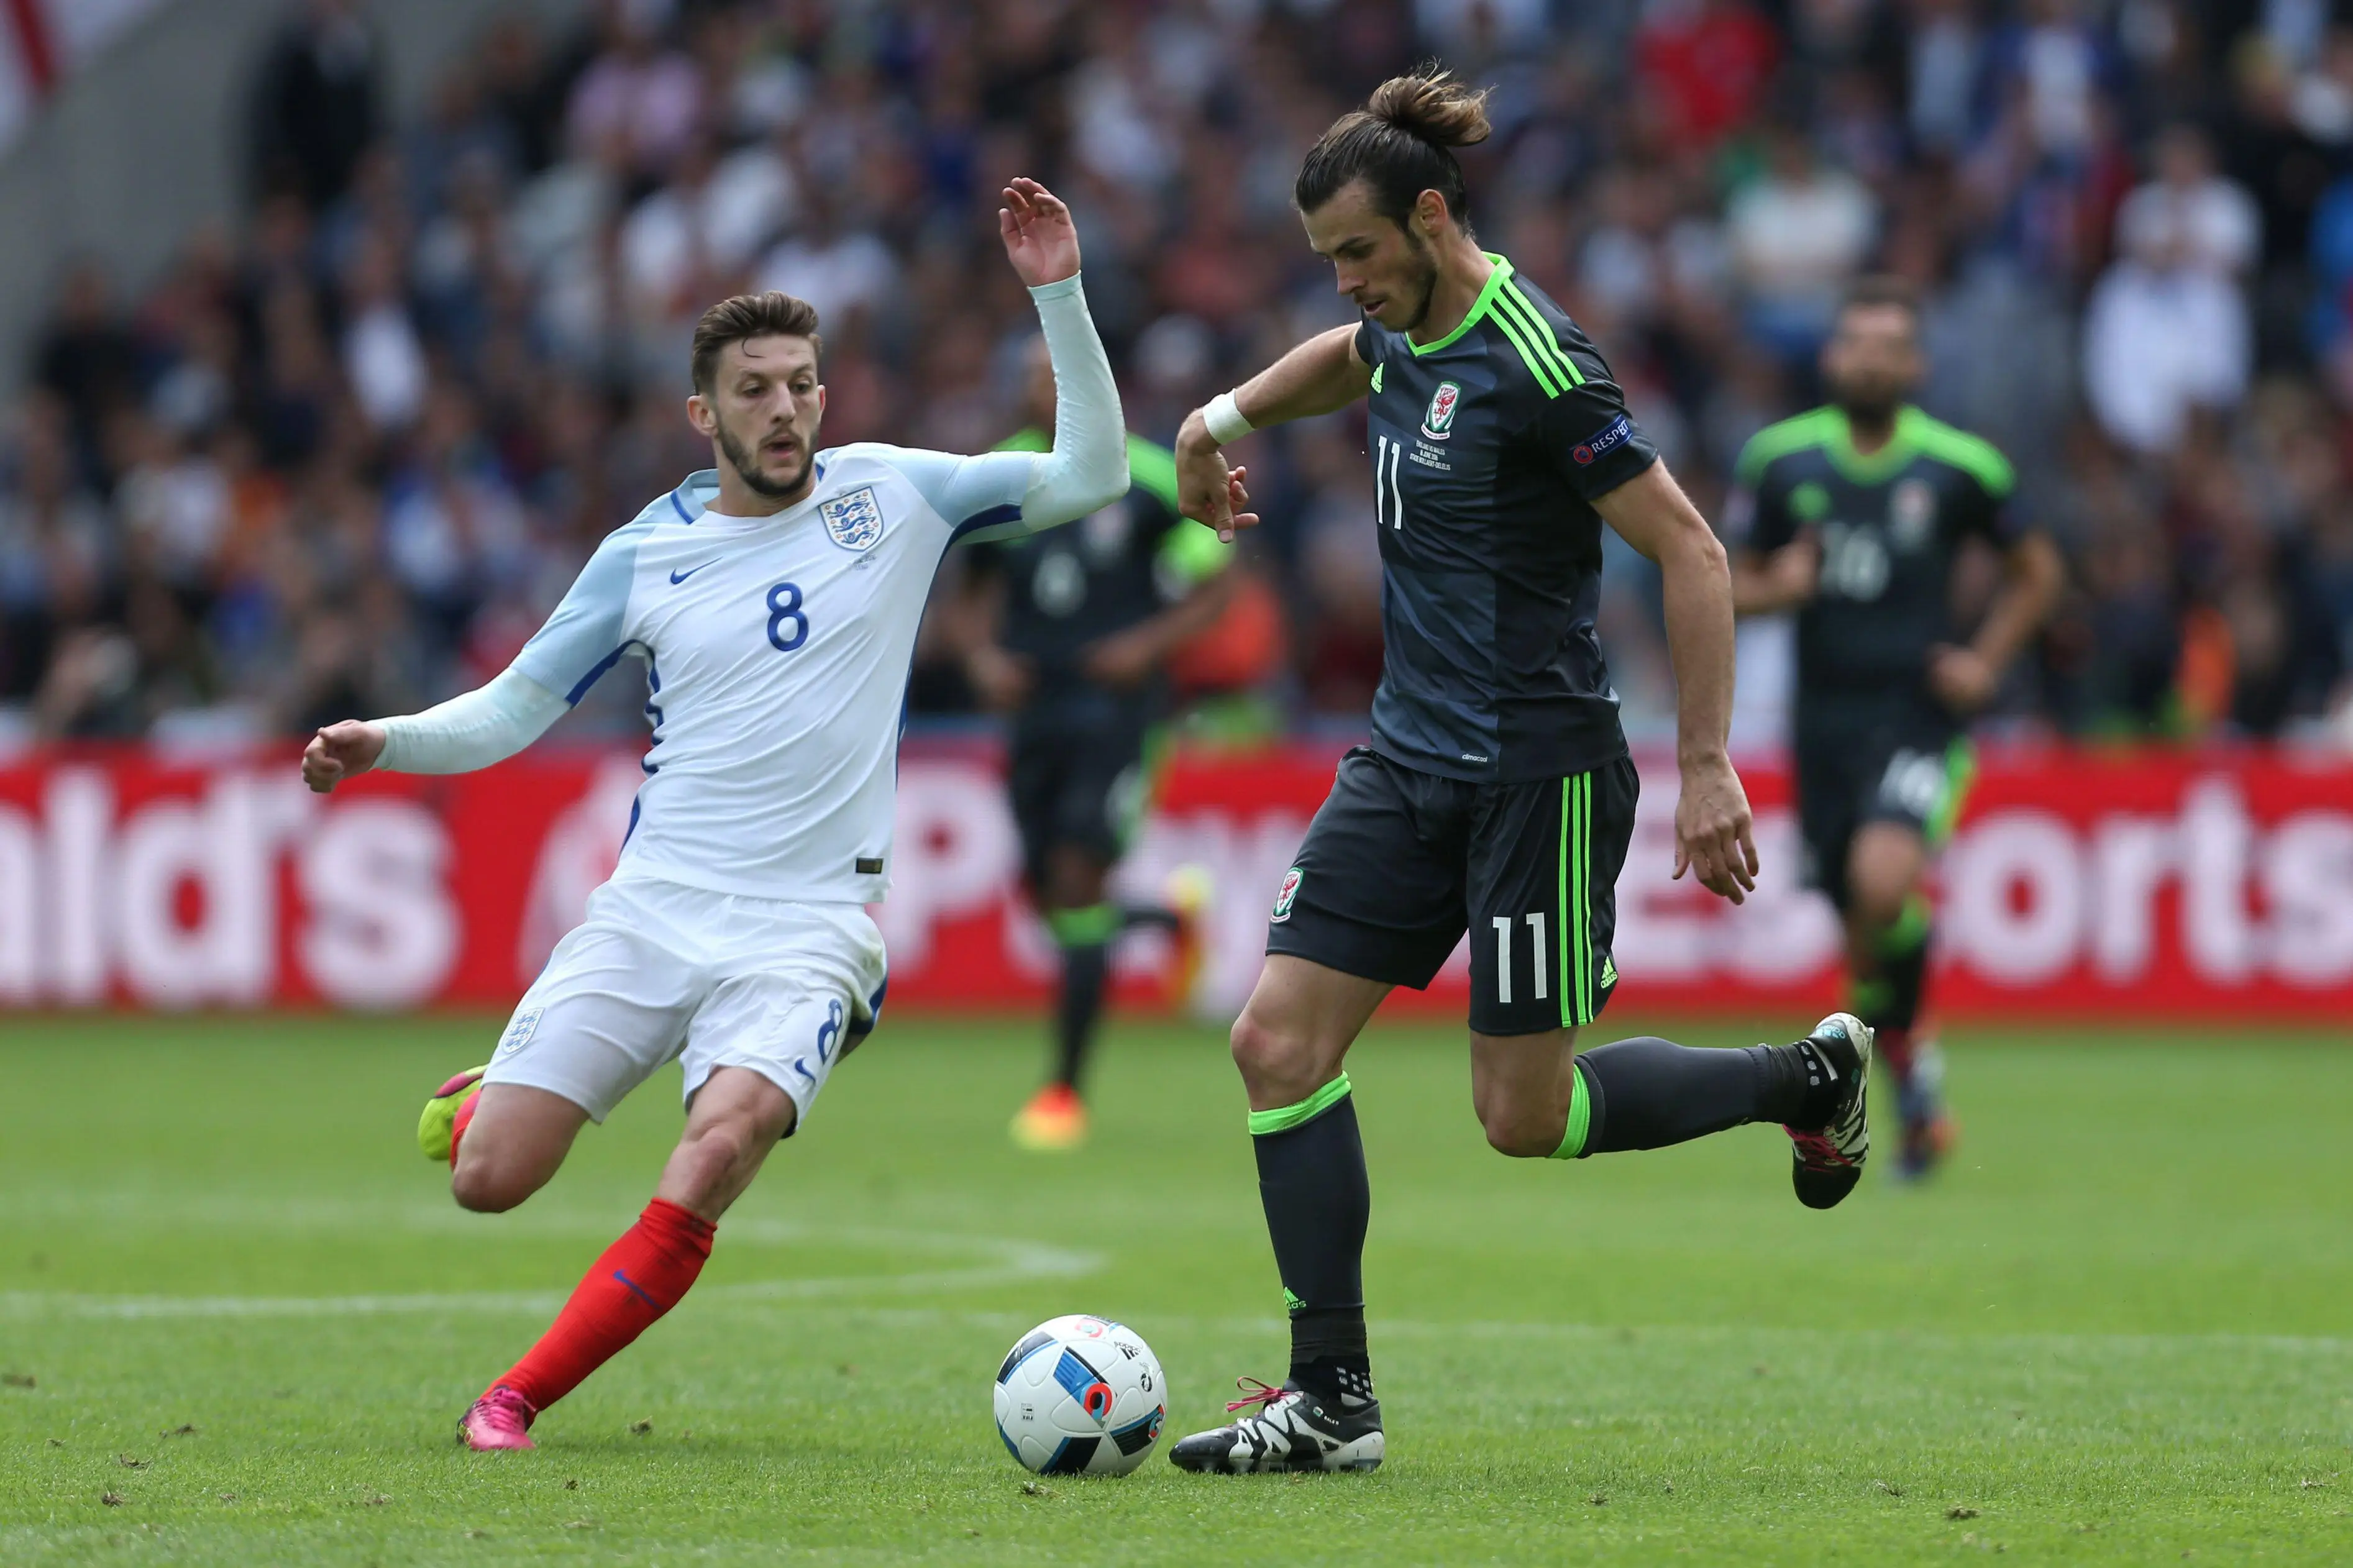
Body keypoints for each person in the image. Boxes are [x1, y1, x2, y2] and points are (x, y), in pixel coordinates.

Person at [299, 180, 1134, 1451]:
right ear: (704, 414)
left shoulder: (895, 495)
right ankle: (487, 1099)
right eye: (754, 390)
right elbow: (517, 707)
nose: (784, 408)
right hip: (655, 908)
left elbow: (1089, 473)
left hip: (810, 927)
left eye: (800, 384)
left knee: (722, 1139)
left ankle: (513, 1397)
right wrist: (389, 741)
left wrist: (1058, 293)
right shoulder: (643, 555)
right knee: (490, 1180)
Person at [1163, 73, 1877, 1475]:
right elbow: (1351, 358)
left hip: (1536, 775)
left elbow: (1693, 552)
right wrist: (1213, 424)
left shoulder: (1542, 365)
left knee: (1521, 1118)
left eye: (1360, 252)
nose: (1347, 282)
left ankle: (1805, 1075)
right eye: (1328, 260)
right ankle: (1331, 1399)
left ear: (1433, 217)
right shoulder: (1398, 325)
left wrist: (1707, 763)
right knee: (1274, 1044)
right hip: (1404, 758)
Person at [1728, 277, 2062, 1178]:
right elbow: (1724, 584)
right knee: (1862, 925)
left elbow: (2036, 571)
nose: (1870, 362)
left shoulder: (1960, 467)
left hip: (1916, 715)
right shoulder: (1780, 462)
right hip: (1820, 722)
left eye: (1888, 347)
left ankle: (1903, 1072)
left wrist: (1984, 662)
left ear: (1915, 365)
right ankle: (1914, 1082)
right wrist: (1777, 589)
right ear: (1831, 356)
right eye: (1856, 344)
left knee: (1880, 886)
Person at [953, 338, 1233, 1151]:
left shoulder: (1148, 476)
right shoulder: (995, 476)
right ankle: (1166, 920)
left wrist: (1145, 647)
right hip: (1033, 712)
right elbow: (967, 593)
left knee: (1078, 878)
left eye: (1055, 378)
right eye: (1030, 379)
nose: (1042, 391)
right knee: (1048, 895)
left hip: (1117, 712)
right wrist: (980, 658)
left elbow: (1217, 583)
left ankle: (1063, 1092)